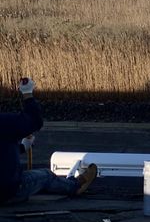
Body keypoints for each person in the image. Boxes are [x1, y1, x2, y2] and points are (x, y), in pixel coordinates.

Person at [0, 77, 97, 205]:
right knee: (46, 175)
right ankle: (75, 186)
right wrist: (27, 93)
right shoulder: (4, 122)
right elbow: (34, 121)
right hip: (8, 191)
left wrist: (23, 147)